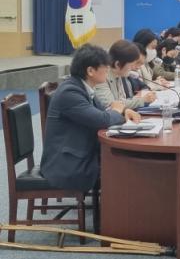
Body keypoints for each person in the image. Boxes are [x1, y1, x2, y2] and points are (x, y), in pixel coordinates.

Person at [40, 44, 140, 191]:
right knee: (127, 167)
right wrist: (117, 110)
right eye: (105, 66)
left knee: (128, 162)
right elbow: (103, 120)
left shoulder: (83, 87)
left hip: (82, 153)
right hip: (69, 164)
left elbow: (103, 113)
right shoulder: (70, 92)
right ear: (90, 71)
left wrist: (123, 112)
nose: (108, 69)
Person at [95, 40, 157, 110]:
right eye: (131, 65)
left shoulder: (119, 74)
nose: (133, 67)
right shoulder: (101, 77)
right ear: (118, 64)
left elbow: (122, 101)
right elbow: (111, 105)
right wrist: (142, 100)